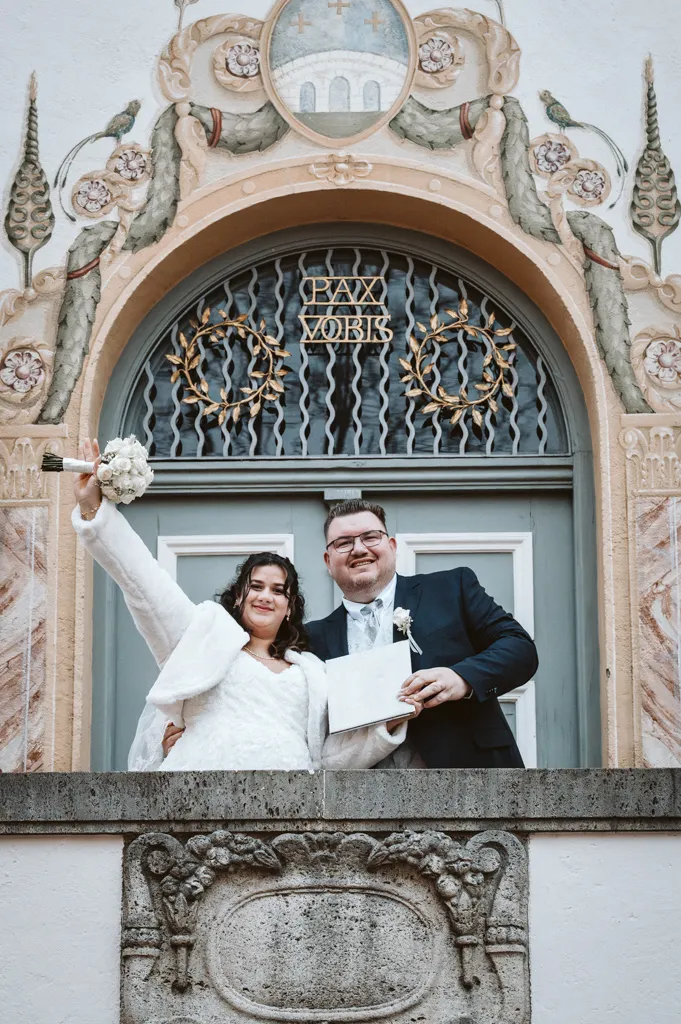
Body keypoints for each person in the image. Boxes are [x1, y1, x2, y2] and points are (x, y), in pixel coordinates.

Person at [72, 441, 416, 771]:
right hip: (200, 792)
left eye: (278, 591)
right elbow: (145, 584)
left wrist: (385, 726)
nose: (266, 596)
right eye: (257, 587)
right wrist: (94, 512)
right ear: (239, 597)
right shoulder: (201, 637)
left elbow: (329, 758)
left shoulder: (312, 672)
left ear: (289, 608)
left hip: (292, 805)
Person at [305, 499, 539, 768]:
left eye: (370, 537)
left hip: (471, 774)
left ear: (392, 546)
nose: (359, 549)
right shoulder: (311, 638)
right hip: (361, 788)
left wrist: (460, 678)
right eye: (344, 543)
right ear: (328, 561)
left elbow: (520, 648)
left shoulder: (451, 588)